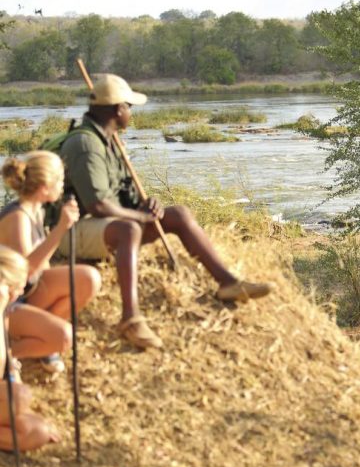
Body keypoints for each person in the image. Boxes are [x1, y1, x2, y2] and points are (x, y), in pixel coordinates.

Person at [58, 74, 272, 350]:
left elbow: (126, 197)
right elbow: (96, 206)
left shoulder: (111, 142)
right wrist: (139, 217)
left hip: (107, 225)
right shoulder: (86, 144)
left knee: (178, 214)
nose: (131, 113)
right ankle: (130, 319)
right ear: (117, 110)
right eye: (129, 107)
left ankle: (228, 283)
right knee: (129, 229)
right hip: (72, 229)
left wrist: (148, 206)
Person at [0, 151, 102, 373]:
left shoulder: (36, 209)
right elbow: (25, 272)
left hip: (27, 293)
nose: (63, 185)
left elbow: (40, 270)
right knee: (65, 337)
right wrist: (61, 229)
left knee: (88, 279)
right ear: (45, 186)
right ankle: (10, 354)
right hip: (8, 302)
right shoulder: (18, 218)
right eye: (60, 179)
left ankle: (42, 340)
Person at [0, 245, 60, 451]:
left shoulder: (3, 316)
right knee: (18, 396)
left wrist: (21, 410)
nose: (18, 293)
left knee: (37, 431)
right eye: (16, 287)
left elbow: (8, 367)